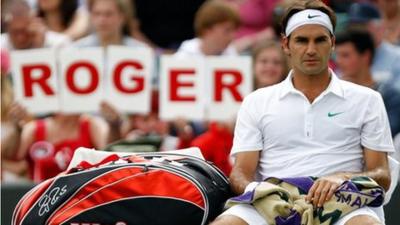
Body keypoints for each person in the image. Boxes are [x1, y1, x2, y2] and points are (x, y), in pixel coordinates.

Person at [211, 1, 394, 225]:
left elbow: (382, 175)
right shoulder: (256, 101)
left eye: (320, 40)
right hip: (270, 202)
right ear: (286, 44)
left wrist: (342, 178)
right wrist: (265, 193)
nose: (311, 49)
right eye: (301, 40)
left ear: (332, 43)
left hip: (345, 202)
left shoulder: (367, 99)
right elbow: (241, 173)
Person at [335, 28, 400, 137]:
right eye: (337, 55)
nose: (338, 61)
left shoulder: (390, 96)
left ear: (365, 56)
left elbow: (385, 134)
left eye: (345, 55)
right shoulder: (334, 93)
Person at [347, 2, 400, 85]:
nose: (357, 32)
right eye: (353, 27)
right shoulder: (345, 56)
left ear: (380, 28)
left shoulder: (397, 56)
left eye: (362, 26)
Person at [175, 0, 240, 57]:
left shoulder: (231, 55)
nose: (232, 36)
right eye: (227, 30)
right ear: (208, 30)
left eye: (233, 31)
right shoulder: (185, 56)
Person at [0, 0, 71, 51]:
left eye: (24, 31)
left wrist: (40, 47)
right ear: (7, 28)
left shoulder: (60, 44)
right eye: (15, 32)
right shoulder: (1, 46)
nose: (20, 38)